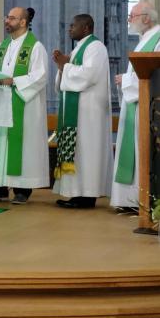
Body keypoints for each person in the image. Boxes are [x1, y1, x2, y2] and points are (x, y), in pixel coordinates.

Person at [0, 7, 49, 205]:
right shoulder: (3, 46)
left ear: (23, 22)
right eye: (7, 17)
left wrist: (14, 81)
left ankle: (22, 189)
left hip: (23, 105)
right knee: (2, 144)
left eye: (12, 18)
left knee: (22, 146)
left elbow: (40, 75)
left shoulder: (35, 47)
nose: (7, 21)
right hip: (3, 103)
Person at [111, 2, 160, 212]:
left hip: (148, 108)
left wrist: (126, 81)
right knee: (133, 152)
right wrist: (126, 79)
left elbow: (159, 75)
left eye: (132, 15)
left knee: (142, 151)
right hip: (135, 105)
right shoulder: (144, 40)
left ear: (146, 18)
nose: (129, 19)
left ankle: (144, 200)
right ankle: (130, 201)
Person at [52, 14, 113, 208]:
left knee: (88, 152)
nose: (69, 28)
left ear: (86, 28)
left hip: (89, 112)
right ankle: (76, 194)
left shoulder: (96, 47)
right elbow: (68, 78)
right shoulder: (79, 48)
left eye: (73, 25)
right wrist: (63, 68)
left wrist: (65, 66)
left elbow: (90, 75)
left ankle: (88, 196)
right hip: (78, 111)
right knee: (78, 152)